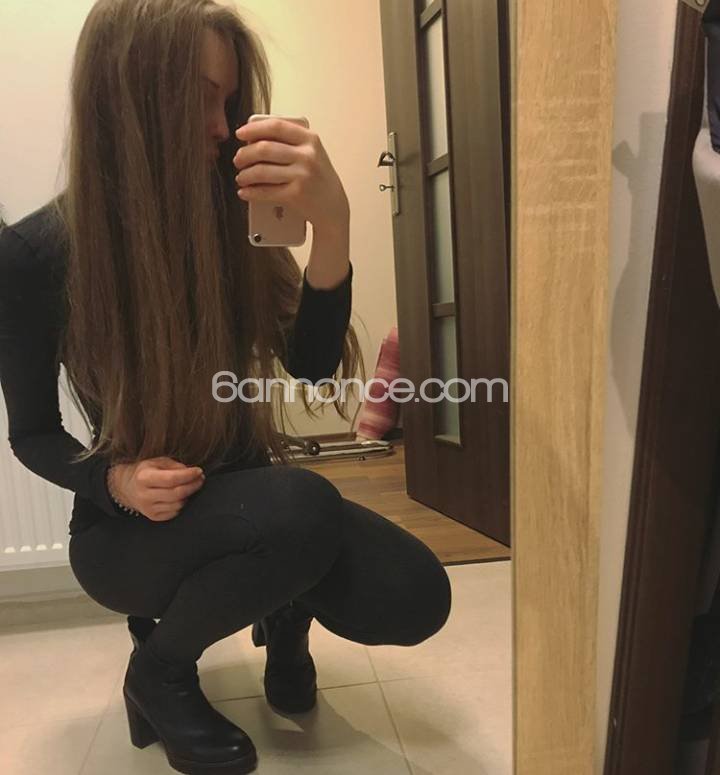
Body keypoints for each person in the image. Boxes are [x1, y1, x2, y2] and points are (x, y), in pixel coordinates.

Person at [0, 2, 452, 773]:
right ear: (130, 96)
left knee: (415, 593)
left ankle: (283, 611)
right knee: (301, 506)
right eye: (203, 98)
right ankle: (160, 671)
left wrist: (333, 228)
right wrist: (114, 480)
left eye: (230, 100)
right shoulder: (35, 254)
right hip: (126, 529)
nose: (223, 126)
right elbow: (33, 434)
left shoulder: (233, 217)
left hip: (250, 496)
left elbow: (310, 367)